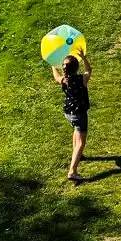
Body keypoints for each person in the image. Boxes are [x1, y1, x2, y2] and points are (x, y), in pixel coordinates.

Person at [51, 51, 92, 182]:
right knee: (81, 142)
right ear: (76, 67)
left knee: (76, 130)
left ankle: (79, 155)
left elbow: (56, 76)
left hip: (68, 113)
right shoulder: (82, 79)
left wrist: (53, 63)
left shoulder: (64, 80)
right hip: (79, 113)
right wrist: (84, 57)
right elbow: (89, 70)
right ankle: (72, 171)